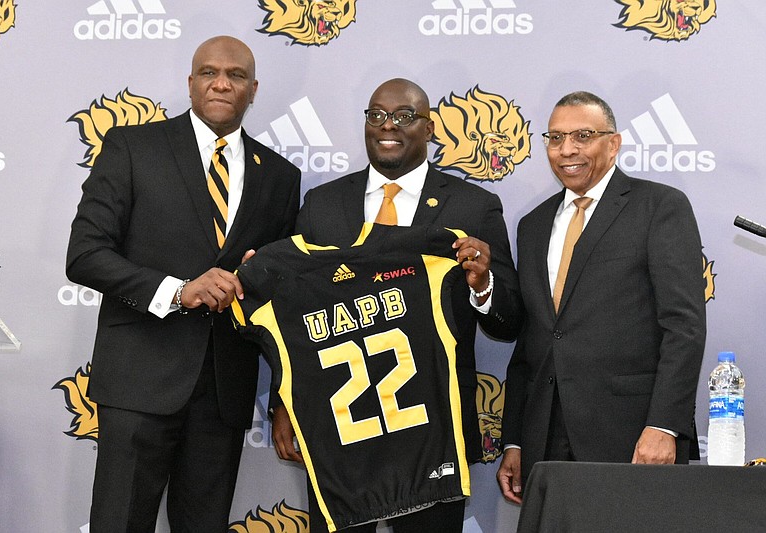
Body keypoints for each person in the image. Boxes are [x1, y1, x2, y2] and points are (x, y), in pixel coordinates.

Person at [66, 36, 300, 532]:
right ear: (190, 83)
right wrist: (178, 289)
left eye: (236, 75)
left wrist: (260, 281)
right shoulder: (133, 147)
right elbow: (85, 255)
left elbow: (281, 301)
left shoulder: (280, 177)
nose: (222, 83)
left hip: (224, 390)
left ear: (253, 89)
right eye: (209, 72)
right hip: (138, 383)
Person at [270, 77, 523, 532]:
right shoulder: (322, 205)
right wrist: (286, 405)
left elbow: (508, 323)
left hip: (435, 433)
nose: (388, 125)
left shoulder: (473, 205)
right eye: (376, 115)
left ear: (429, 129)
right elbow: (293, 314)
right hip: (339, 430)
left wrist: (483, 284)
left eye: (405, 116)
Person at [497, 91, 706, 504]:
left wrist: (664, 426)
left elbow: (683, 326)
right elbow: (532, 341)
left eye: (583, 135)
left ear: (613, 143)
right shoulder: (533, 225)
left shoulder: (659, 207)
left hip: (632, 438)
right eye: (555, 138)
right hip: (545, 442)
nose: (567, 149)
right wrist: (516, 441)